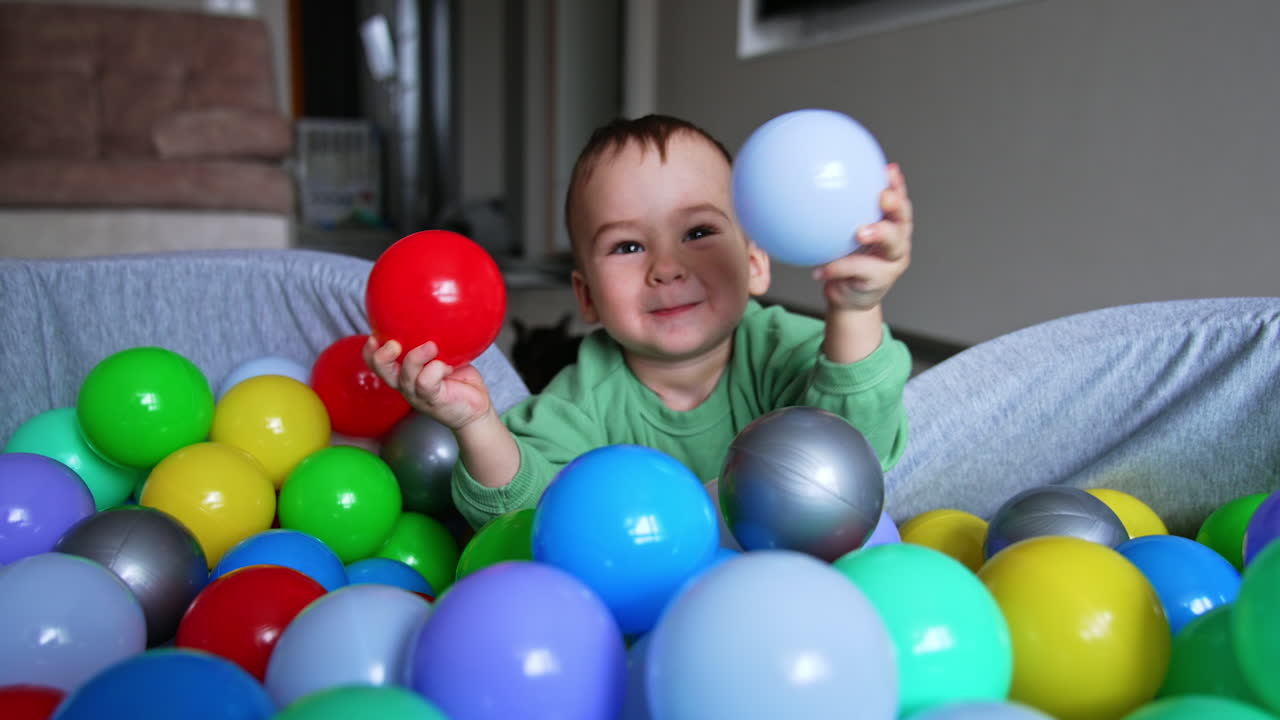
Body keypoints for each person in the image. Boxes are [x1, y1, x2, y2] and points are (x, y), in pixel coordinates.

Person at [366, 114, 914, 529]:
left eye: (698, 232)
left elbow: (853, 454)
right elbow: (523, 516)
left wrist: (855, 308)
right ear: (586, 297)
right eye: (627, 245)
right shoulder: (583, 400)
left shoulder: (785, 352)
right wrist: (474, 423)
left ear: (755, 261)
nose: (667, 268)